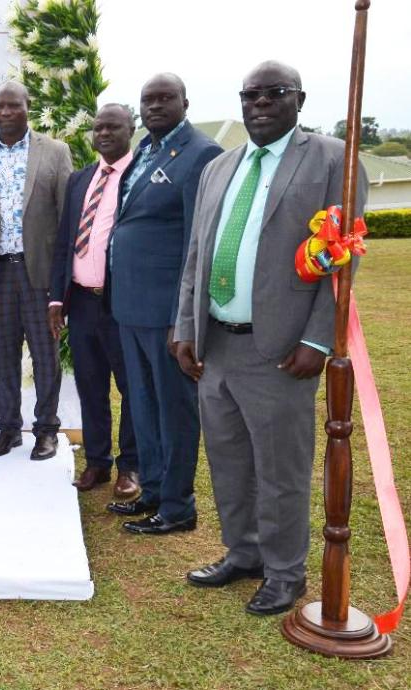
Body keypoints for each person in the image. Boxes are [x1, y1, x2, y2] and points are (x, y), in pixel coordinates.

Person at [176, 61, 367, 615]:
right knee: (230, 462)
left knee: (281, 469)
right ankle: (244, 553)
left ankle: (286, 573)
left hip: (282, 349)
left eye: (274, 93)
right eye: (250, 94)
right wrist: (186, 327)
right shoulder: (221, 166)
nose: (260, 102)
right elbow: (198, 253)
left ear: (299, 100)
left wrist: (319, 338)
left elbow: (345, 258)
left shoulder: (332, 158)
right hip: (218, 346)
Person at [107, 74, 223, 535]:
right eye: (147, 100)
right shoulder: (145, 150)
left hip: (166, 311)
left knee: (174, 409)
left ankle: (178, 506)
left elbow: (198, 241)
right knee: (144, 404)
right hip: (130, 306)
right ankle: (153, 490)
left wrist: (184, 317)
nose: (154, 106)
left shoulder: (201, 154)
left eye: (164, 98)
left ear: (185, 102)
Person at [0, 81, 73, 461]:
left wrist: (62, 280)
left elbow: (66, 219)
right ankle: (9, 429)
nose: (5, 112)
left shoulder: (55, 152)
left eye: (13, 106)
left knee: (45, 356)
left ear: (28, 107)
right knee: (3, 356)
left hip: (39, 274)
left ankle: (46, 429)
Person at [48, 104, 139, 500]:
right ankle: (98, 463)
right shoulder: (80, 179)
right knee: (89, 384)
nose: (103, 134)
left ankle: (131, 466)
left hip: (124, 304)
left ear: (130, 129)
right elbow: (66, 240)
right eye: (98, 128)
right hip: (82, 302)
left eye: (113, 127)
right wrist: (57, 300)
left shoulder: (140, 178)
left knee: (132, 388)